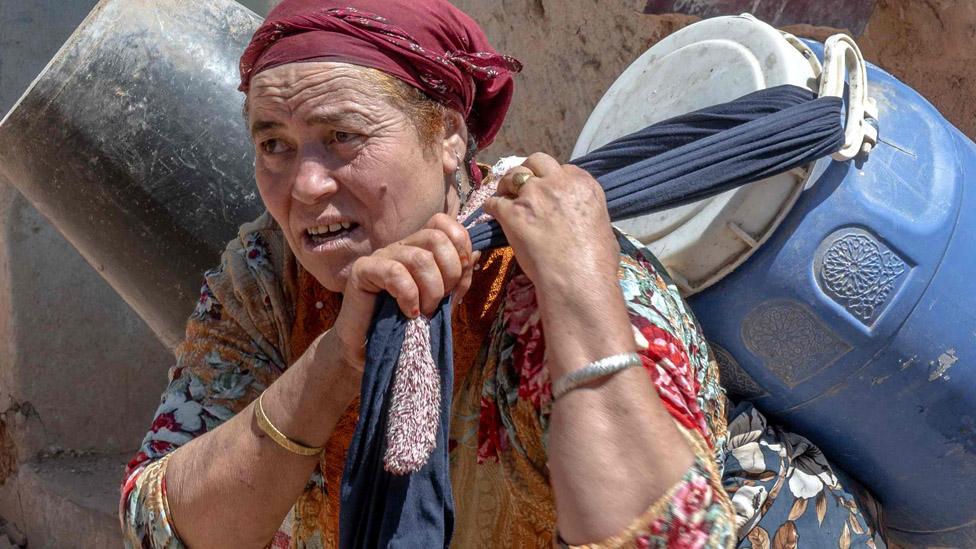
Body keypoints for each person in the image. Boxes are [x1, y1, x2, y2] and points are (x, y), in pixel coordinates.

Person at [120, 0, 885, 547]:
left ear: (448, 137)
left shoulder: (551, 275)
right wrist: (334, 363)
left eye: (342, 137)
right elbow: (159, 521)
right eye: (274, 144)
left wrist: (581, 295)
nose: (304, 185)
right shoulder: (268, 276)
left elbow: (666, 539)